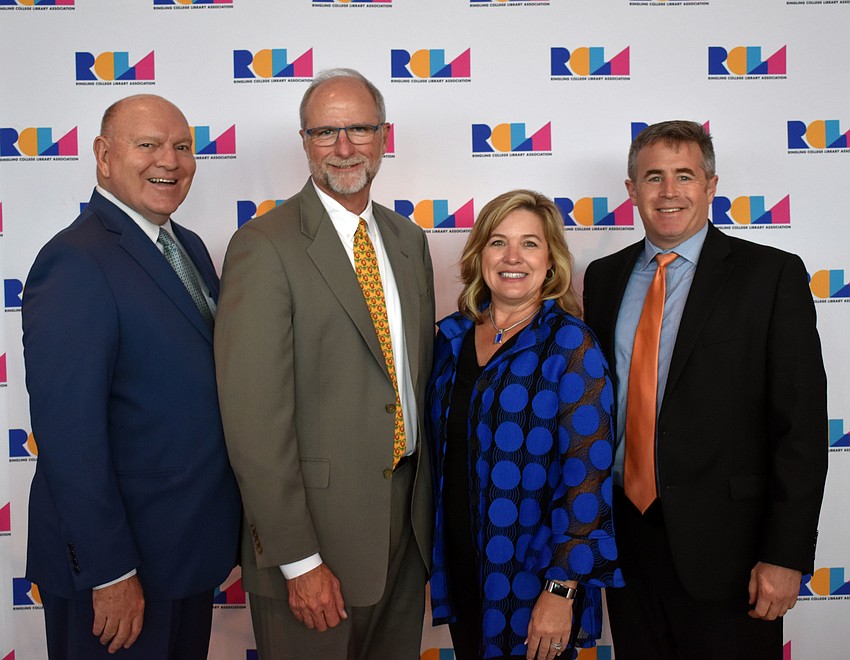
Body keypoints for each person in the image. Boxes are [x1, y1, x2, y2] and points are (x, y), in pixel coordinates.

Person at [582, 120, 828, 659]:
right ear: (631, 191)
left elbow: (801, 428)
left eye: (684, 176)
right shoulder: (603, 278)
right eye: (653, 177)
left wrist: (786, 555)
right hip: (627, 540)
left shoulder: (771, 276)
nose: (668, 192)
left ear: (711, 185)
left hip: (731, 552)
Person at [214, 68, 435, 660]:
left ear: (385, 136)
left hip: (405, 525)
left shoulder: (408, 241)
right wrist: (299, 558)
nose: (343, 148)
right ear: (305, 141)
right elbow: (254, 420)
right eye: (325, 132)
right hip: (315, 538)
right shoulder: (265, 245)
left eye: (359, 129)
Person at [21, 94, 241, 659]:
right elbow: (70, 434)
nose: (169, 160)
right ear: (102, 155)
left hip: (186, 554)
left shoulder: (186, 246)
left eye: (183, 147)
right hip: (120, 573)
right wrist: (110, 572)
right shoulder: (75, 260)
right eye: (147, 145)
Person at [427, 190, 624, 660]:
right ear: (480, 255)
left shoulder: (571, 346)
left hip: (535, 578)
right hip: (462, 566)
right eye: (498, 242)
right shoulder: (451, 338)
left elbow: (588, 481)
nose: (513, 257)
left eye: (530, 243)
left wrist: (562, 590)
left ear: (552, 261)